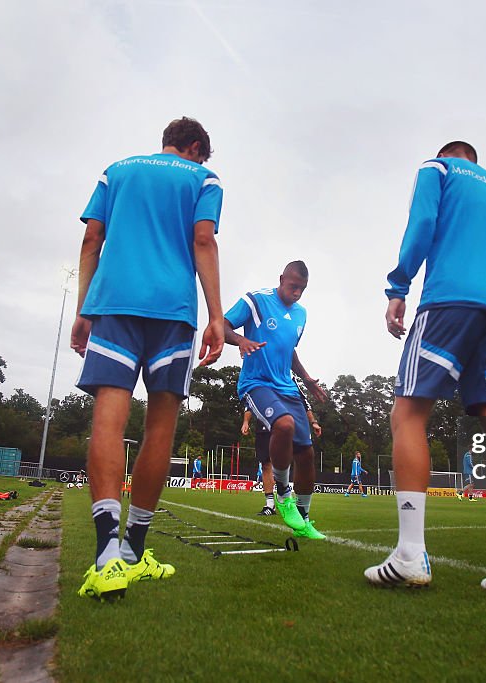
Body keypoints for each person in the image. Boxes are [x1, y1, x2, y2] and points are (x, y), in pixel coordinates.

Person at [366, 141, 486, 601]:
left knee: (408, 414)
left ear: (450, 154)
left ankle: (409, 553)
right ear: (477, 159)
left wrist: (398, 284)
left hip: (448, 302)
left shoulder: (437, 168)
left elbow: (421, 224)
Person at [71, 117, 224, 601]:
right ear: (196, 147)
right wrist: (217, 317)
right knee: (160, 428)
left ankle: (105, 558)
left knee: (108, 421)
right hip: (172, 310)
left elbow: (92, 239)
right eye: (203, 154)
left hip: (114, 304)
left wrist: (82, 308)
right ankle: (135, 551)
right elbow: (203, 240)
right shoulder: (204, 179)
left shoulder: (115, 170)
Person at [224, 261, 329, 539]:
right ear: (281, 279)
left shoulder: (301, 315)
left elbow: (289, 351)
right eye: (293, 286)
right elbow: (221, 325)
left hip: (288, 387)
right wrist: (240, 341)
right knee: (283, 425)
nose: (297, 293)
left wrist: (306, 378)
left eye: (302, 289)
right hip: (256, 383)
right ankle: (283, 493)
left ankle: (304, 520)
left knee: (306, 454)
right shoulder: (256, 301)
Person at [243, 378, 321, 515]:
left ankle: (290, 499)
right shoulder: (257, 376)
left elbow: (304, 402)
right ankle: (270, 505)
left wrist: (313, 421)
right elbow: (249, 403)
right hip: (264, 422)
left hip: (285, 421)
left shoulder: (288, 378)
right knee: (266, 463)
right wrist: (245, 422)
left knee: (298, 456)